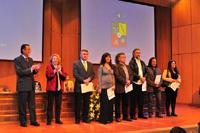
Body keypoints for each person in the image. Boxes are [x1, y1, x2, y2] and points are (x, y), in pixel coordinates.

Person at [14, 44, 41, 127]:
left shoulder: (31, 59)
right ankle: (23, 121)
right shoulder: (17, 59)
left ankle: (33, 120)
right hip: (22, 86)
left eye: (30, 49)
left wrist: (36, 70)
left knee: (32, 105)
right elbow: (20, 72)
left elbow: (32, 72)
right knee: (22, 105)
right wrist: (31, 69)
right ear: (23, 50)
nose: (30, 51)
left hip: (31, 85)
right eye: (28, 49)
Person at [73, 49, 95, 124]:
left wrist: (89, 79)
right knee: (78, 104)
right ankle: (77, 119)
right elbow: (75, 74)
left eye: (86, 54)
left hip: (87, 86)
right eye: (84, 54)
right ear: (80, 55)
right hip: (79, 86)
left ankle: (85, 118)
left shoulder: (90, 64)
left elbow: (93, 74)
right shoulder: (76, 63)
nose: (85, 55)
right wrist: (83, 80)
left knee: (86, 103)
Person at [46, 54, 67, 125]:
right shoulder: (49, 66)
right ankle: (49, 120)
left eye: (56, 59)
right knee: (50, 105)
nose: (55, 60)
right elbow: (48, 76)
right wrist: (55, 71)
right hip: (51, 89)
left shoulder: (61, 67)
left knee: (58, 105)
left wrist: (60, 71)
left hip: (59, 89)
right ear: (51, 60)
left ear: (58, 60)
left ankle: (57, 119)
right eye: (53, 59)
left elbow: (64, 77)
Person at [129, 48, 148, 119]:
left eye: (139, 53)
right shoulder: (131, 62)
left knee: (141, 100)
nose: (138, 54)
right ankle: (132, 115)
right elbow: (132, 72)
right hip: (135, 82)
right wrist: (140, 77)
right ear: (133, 54)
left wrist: (144, 77)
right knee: (133, 100)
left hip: (142, 83)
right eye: (137, 53)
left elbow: (146, 71)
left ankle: (140, 114)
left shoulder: (142, 62)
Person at [98, 53, 115, 124]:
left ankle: (109, 118)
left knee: (110, 104)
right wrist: (99, 87)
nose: (108, 58)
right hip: (104, 88)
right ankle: (103, 119)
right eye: (107, 57)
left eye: (109, 57)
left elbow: (113, 76)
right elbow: (99, 77)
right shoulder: (101, 66)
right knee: (104, 104)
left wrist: (114, 85)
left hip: (111, 88)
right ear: (104, 58)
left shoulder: (111, 66)